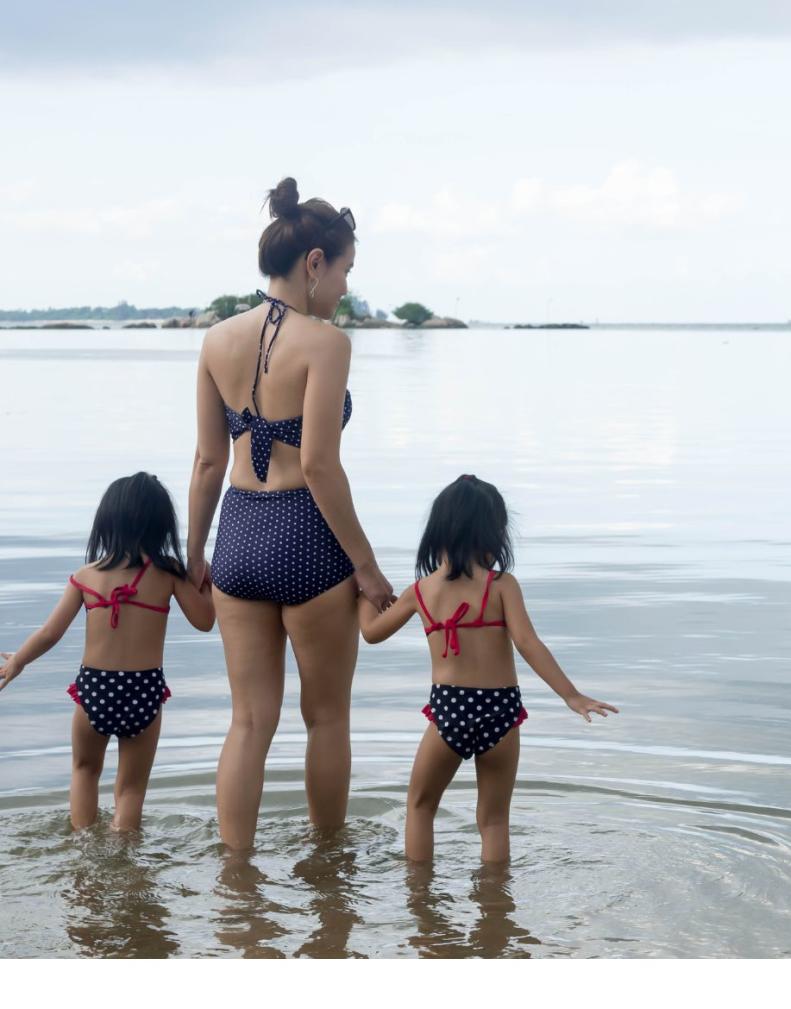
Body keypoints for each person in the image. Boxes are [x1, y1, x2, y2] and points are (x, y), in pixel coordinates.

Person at [187, 177, 395, 850]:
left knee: (248, 721)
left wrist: (196, 556)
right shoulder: (326, 344)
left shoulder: (216, 340)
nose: (343, 291)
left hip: (240, 537)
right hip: (308, 537)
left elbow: (208, 465)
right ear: (314, 264)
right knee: (327, 716)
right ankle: (330, 869)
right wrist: (366, 568)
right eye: (344, 273)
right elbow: (319, 467)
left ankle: (235, 874)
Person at [358, 475, 618, 862]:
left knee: (421, 808)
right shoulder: (502, 586)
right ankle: (496, 909)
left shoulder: (421, 591)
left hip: (451, 709)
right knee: (494, 821)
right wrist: (571, 695)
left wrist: (364, 592)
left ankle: (421, 904)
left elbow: (371, 633)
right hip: (501, 711)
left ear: (438, 532)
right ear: (495, 533)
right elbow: (529, 644)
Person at [0, 473, 215, 831]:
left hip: (95, 688)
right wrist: (206, 585)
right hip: (143, 690)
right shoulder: (168, 574)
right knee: (131, 790)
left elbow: (50, 632)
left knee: (85, 771)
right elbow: (205, 621)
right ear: (161, 524)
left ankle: (84, 847)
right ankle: (126, 863)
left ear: (106, 522)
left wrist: (18, 661)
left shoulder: (85, 576)